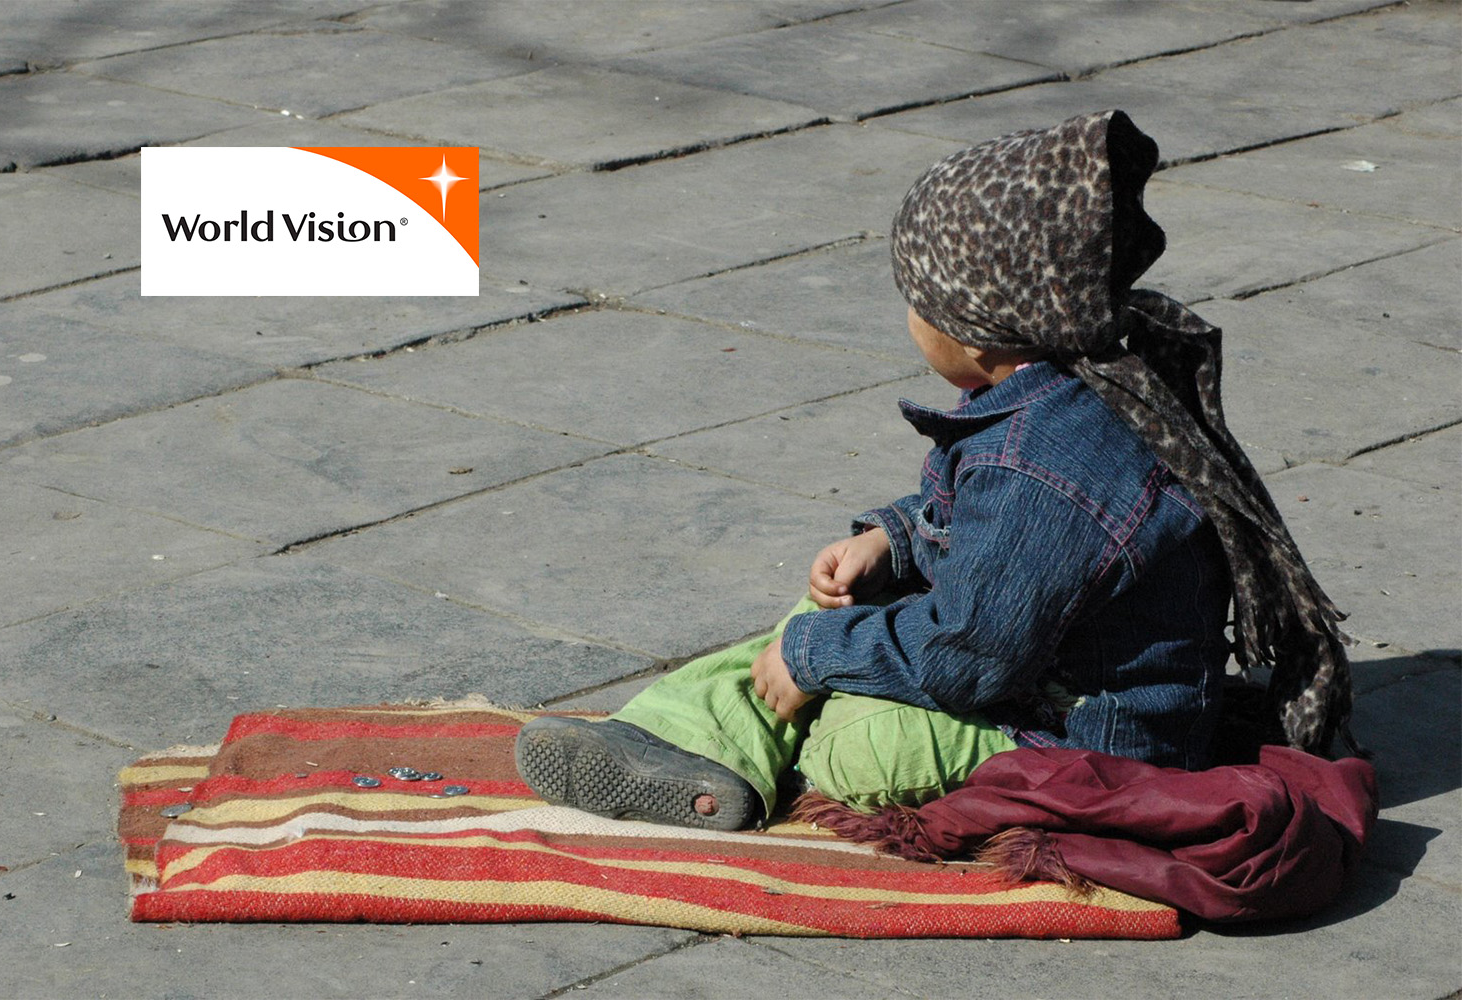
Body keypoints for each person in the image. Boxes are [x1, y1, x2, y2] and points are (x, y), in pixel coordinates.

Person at [514, 110, 1358, 831]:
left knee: (847, 725)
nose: (911, 318)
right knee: (821, 616)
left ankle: (731, 747)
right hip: (1031, 671)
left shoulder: (1045, 468)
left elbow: (968, 655)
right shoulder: (1073, 388)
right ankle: (691, 742)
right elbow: (969, 527)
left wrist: (816, 658)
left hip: (1071, 741)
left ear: (981, 330)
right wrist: (894, 536)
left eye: (918, 302)